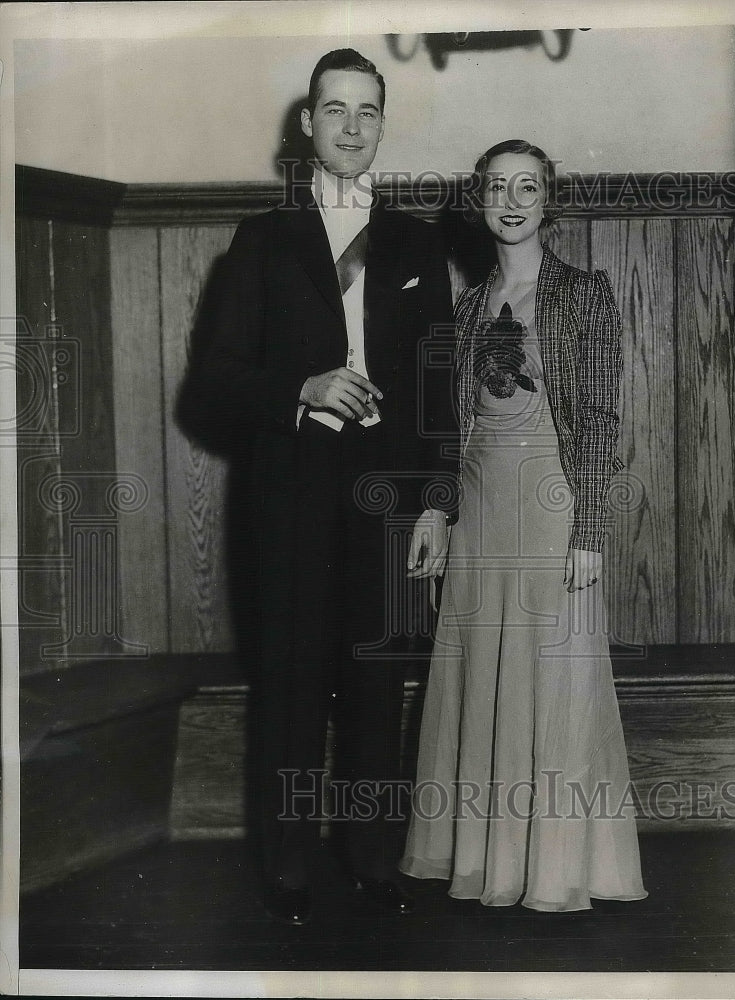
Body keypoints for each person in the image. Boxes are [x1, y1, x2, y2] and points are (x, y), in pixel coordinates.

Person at [176, 49, 457, 926]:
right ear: (307, 125)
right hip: (290, 491)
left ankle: (373, 860)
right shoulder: (263, 240)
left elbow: (438, 383)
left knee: (378, 685)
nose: (350, 126)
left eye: (366, 111)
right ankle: (288, 871)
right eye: (333, 110)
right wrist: (300, 388)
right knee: (292, 685)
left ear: (383, 124)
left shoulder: (416, 242)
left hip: (390, 497)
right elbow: (211, 385)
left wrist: (439, 502)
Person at [399, 139, 648, 910]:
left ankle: (552, 868)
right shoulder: (464, 307)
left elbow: (602, 418)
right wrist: (438, 510)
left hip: (552, 507)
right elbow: (447, 427)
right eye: (497, 188)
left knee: (552, 681)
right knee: (481, 678)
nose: (511, 201)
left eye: (527, 188)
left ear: (549, 201)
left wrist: (591, 531)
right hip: (478, 514)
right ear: (479, 202)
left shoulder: (585, 293)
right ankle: (486, 862)